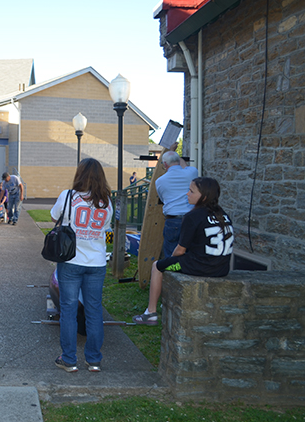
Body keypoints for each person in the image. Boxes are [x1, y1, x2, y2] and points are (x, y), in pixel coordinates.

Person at [133, 177, 234, 325]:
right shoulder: (223, 215)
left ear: (204, 197)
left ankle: (151, 312)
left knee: (158, 266)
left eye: (191, 191)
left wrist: (170, 262)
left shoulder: (192, 217)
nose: (187, 194)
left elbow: (180, 250)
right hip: (221, 268)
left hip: (201, 267)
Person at [50, 158, 113, 373]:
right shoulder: (106, 201)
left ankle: (69, 359)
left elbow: (53, 216)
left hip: (71, 260)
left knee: (68, 310)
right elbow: (105, 227)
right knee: (94, 309)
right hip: (96, 262)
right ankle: (94, 359)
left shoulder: (68, 196)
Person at [156, 144, 198, 257]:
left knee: (171, 256)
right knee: (190, 255)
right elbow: (184, 166)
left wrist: (170, 151)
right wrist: (174, 152)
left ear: (165, 164)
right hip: (191, 219)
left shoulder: (160, 181)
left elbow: (162, 198)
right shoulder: (192, 172)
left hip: (173, 220)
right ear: (178, 161)